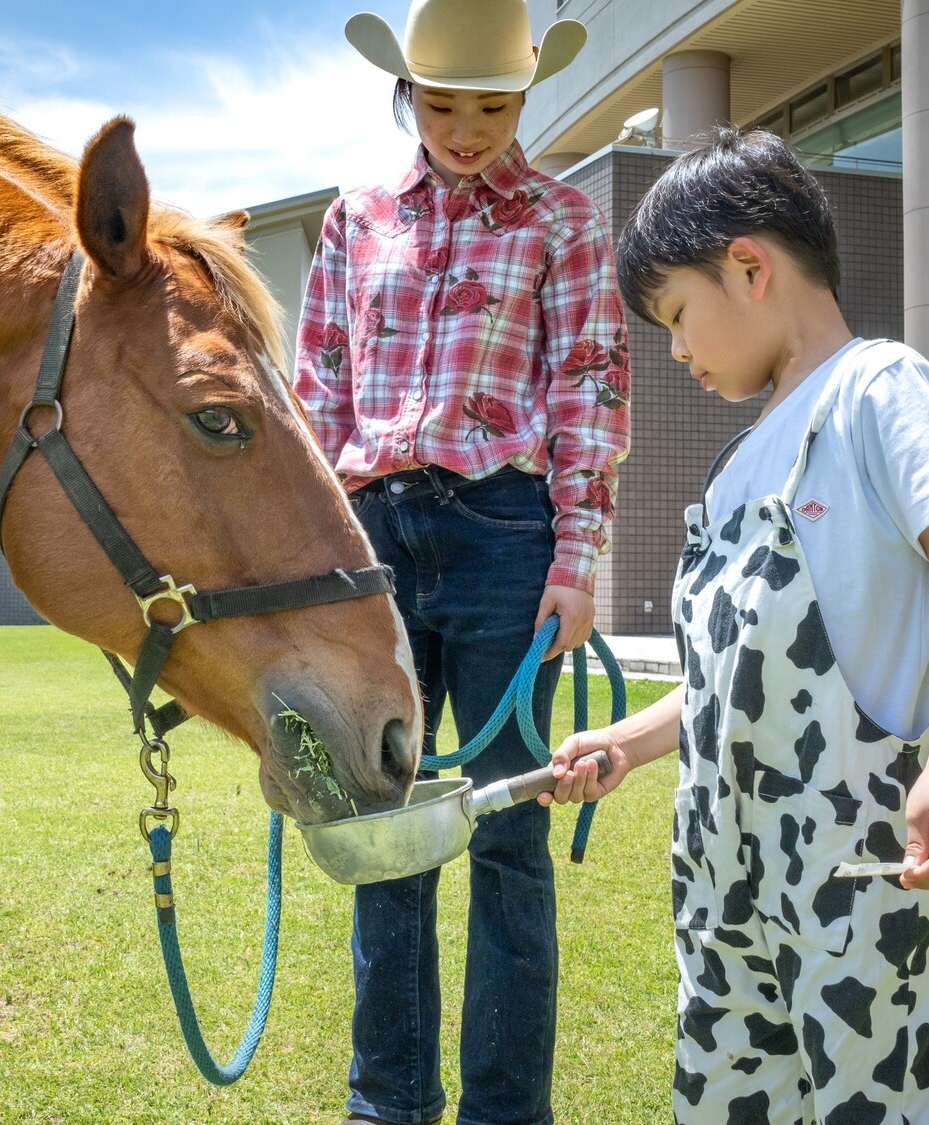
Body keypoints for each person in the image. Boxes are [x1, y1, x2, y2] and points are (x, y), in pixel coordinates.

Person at [537, 128, 929, 1123]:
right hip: (720, 879)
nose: (674, 350)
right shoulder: (735, 463)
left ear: (746, 266)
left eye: (674, 314)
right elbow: (728, 677)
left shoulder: (879, 390)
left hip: (858, 873)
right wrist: (631, 740)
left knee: (879, 1100)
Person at [294, 2, 629, 1121]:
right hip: (373, 545)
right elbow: (319, 395)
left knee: (505, 840)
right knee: (385, 838)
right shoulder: (353, 218)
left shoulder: (563, 220)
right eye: (442, 104)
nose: (467, 127)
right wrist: (315, 561)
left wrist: (575, 559)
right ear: (406, 95)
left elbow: (585, 389)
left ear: (526, 99)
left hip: (503, 540)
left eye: (493, 105)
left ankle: (502, 1109)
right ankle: (386, 1104)